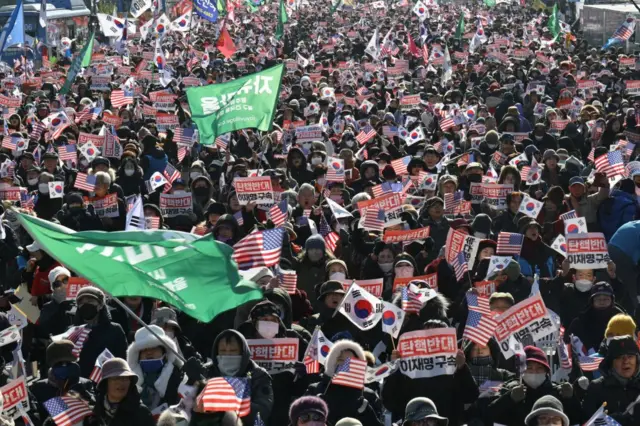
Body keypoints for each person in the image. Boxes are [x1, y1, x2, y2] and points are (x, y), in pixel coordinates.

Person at [190, 329, 273, 426]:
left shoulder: (258, 375)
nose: (227, 355)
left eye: (233, 351)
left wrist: (225, 400)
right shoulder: (207, 371)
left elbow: (261, 412)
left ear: (243, 353)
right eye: (223, 351)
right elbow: (187, 406)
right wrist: (193, 380)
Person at [487, 346, 581, 425]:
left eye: (539, 368)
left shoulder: (558, 391)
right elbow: (489, 416)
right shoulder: (509, 388)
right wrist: (509, 399)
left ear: (546, 371)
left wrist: (571, 398)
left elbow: (578, 419)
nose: (534, 371)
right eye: (529, 368)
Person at [305, 340, 383, 425]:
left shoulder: (367, 395)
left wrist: (367, 412)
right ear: (331, 362)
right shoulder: (316, 390)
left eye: (350, 362)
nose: (344, 366)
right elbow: (296, 420)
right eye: (341, 360)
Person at [581, 336, 640, 425]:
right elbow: (585, 421)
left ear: (637, 360)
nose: (626, 361)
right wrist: (609, 420)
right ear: (611, 362)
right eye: (620, 357)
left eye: (630, 356)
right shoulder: (596, 388)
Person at [126, 325, 184, 412]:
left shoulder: (179, 376)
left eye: (154, 348)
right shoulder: (129, 383)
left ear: (164, 352)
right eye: (144, 349)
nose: (149, 352)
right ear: (137, 356)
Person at [74, 287, 128, 377]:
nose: (85, 305)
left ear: (100, 305)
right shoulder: (73, 331)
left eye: (90, 301)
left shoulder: (115, 330)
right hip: (80, 381)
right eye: (81, 303)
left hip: (107, 379)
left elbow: (122, 358)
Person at [85, 357, 155, 426]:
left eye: (125, 378)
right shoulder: (94, 413)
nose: (121, 383)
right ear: (105, 383)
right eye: (116, 378)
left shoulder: (142, 413)